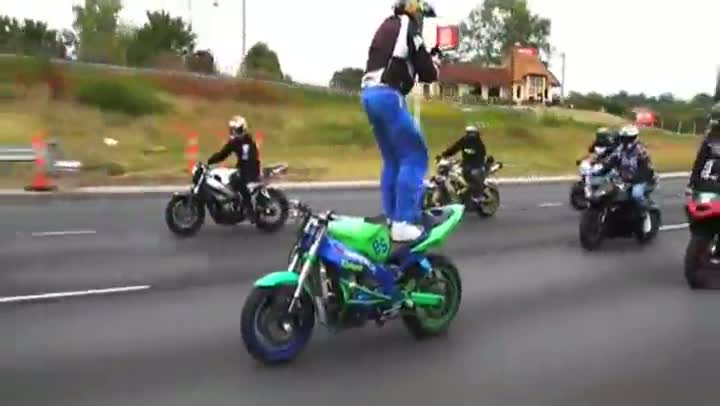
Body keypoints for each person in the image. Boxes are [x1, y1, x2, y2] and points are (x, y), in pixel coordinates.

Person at [361, 0, 441, 243]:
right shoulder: (409, 27)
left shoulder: (387, 25)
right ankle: (403, 222)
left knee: (393, 159)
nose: (422, 21)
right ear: (414, 8)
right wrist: (434, 61)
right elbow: (428, 73)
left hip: (369, 94)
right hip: (388, 95)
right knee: (415, 156)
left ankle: (392, 216)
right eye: (422, 16)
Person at [207, 116, 261, 223]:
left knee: (239, 181)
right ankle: (232, 206)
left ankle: (249, 211)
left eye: (237, 130)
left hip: (251, 170)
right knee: (227, 180)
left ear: (243, 129)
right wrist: (210, 161)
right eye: (233, 130)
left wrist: (243, 171)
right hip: (241, 169)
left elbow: (251, 158)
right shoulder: (235, 142)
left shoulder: (248, 142)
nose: (235, 132)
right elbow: (223, 154)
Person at [605, 125, 655, 215]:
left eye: (627, 138)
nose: (624, 140)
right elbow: (612, 160)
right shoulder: (620, 149)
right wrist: (603, 168)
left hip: (640, 180)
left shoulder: (641, 150)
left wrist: (635, 179)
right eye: (623, 138)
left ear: (633, 138)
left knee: (636, 195)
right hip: (623, 178)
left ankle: (645, 211)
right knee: (608, 189)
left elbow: (647, 168)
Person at [438, 125, 488, 200]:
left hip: (476, 165)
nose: (470, 135)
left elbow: (482, 154)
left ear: (475, 133)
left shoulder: (478, 143)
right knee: (457, 172)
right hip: (466, 164)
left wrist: (474, 162)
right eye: (468, 133)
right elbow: (454, 148)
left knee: (471, 177)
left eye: (471, 133)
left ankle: (476, 196)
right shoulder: (464, 140)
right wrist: (444, 154)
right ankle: (460, 192)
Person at [688, 105, 720, 194]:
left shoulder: (708, 141)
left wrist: (692, 183)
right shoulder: (708, 142)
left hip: (703, 184)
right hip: (707, 184)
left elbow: (698, 163)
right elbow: (699, 163)